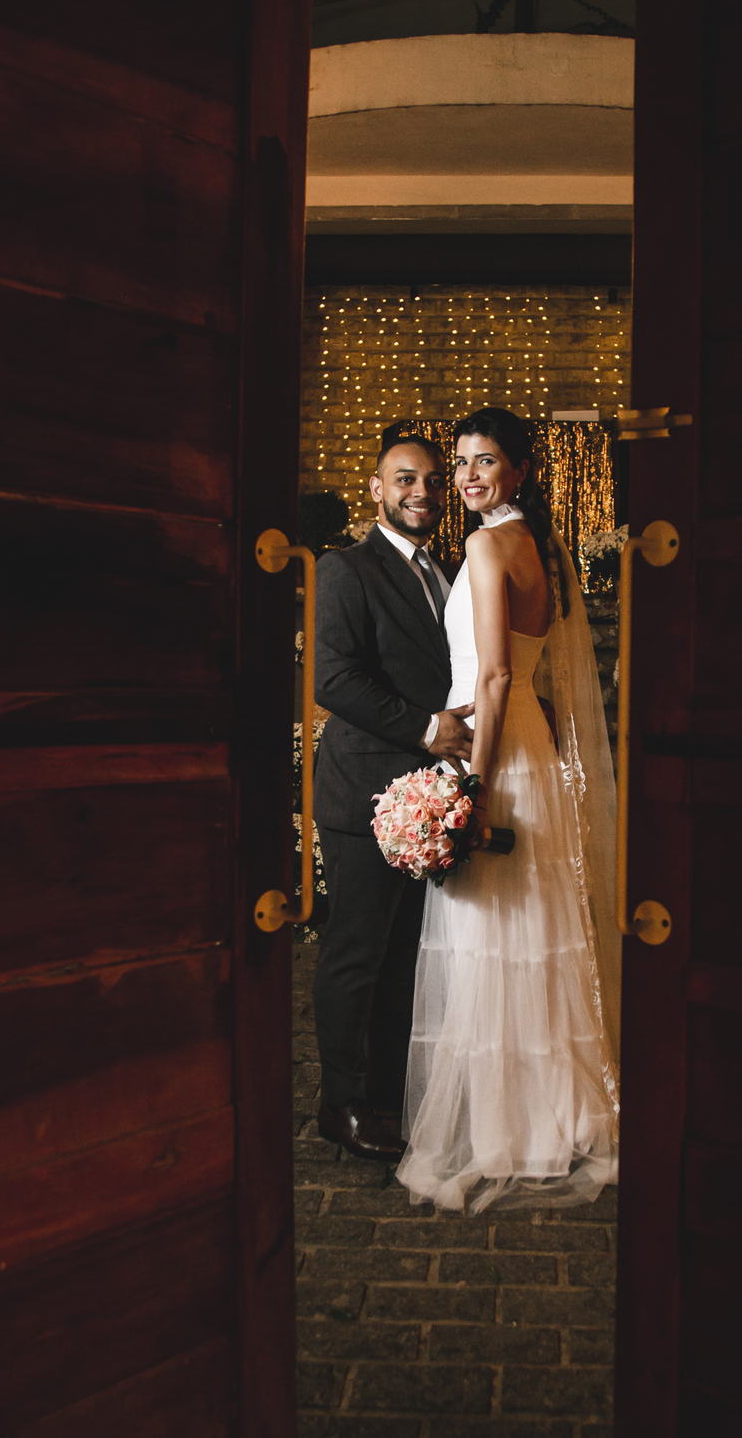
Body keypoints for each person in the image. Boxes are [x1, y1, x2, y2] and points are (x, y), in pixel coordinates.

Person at [397, 408, 621, 1212]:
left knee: (492, 936)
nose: (466, 477)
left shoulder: (489, 547)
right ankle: (545, 1114)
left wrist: (477, 785)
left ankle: (506, 1130)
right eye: (460, 462)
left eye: (484, 461)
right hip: (527, 742)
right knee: (530, 934)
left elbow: (492, 676)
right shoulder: (536, 545)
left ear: (520, 470)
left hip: (495, 749)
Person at [312, 431, 475, 1163]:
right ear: (377, 489)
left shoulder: (448, 570)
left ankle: (384, 1090)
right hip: (363, 793)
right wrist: (428, 730)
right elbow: (334, 679)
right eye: (406, 479)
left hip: (427, 797)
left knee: (405, 952)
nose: (423, 492)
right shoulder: (346, 569)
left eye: (434, 480)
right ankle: (340, 1106)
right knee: (355, 954)